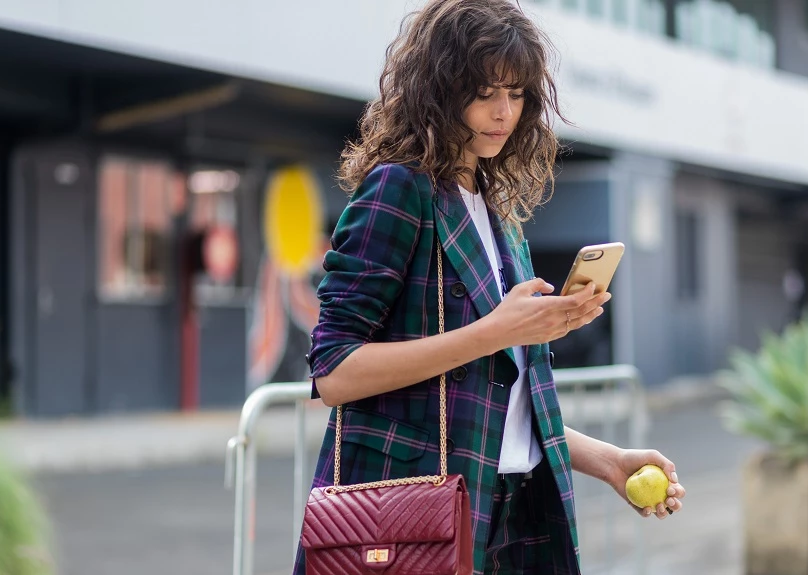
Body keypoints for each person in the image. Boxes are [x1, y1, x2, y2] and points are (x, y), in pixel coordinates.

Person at [294, 1, 686, 573]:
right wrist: (495, 331)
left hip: (509, 510)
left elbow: (501, 397)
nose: (504, 112)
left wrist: (609, 461)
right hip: (409, 517)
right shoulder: (398, 189)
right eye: (484, 92)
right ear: (438, 88)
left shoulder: (496, 211)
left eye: (517, 92)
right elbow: (333, 372)